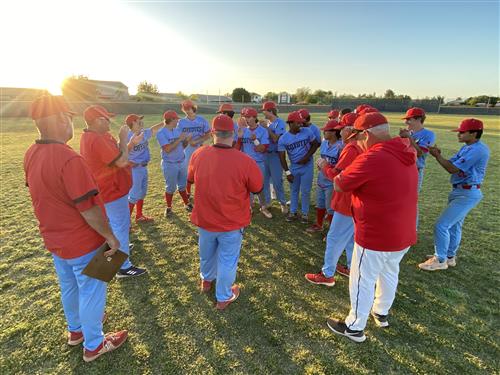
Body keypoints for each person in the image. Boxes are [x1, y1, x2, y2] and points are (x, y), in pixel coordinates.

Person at [24, 95, 127, 362]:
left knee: (70, 287)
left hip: (56, 240)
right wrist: (110, 237)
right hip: (82, 241)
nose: (71, 123)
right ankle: (94, 344)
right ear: (60, 119)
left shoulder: (31, 153)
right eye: (69, 117)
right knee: (92, 289)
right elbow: (88, 208)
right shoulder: (69, 158)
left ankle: (76, 331)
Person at [326, 112, 418, 343]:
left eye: (358, 138)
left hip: (377, 233)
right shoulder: (405, 149)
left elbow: (340, 184)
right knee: (389, 272)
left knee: (362, 279)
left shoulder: (374, 157)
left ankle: (354, 327)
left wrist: (326, 168)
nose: (358, 143)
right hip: (403, 232)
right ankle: (381, 311)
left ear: (366, 134)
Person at [187, 114, 263, 310]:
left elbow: (190, 178)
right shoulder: (244, 160)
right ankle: (223, 296)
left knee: (206, 253)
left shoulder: (198, 154)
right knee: (227, 260)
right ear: (233, 134)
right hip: (231, 221)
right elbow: (257, 187)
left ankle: (206, 281)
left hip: (205, 219)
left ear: (213, 133)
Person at [80, 105, 147, 278]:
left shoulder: (97, 136)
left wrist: (129, 143)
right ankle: (123, 266)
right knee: (120, 226)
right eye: (106, 118)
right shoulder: (96, 138)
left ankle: (118, 250)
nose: (110, 121)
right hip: (111, 190)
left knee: (116, 225)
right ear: (96, 121)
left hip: (111, 189)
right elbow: (122, 161)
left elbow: (115, 154)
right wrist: (125, 139)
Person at [418, 118, 489, 271]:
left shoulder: (478, 150)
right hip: (461, 190)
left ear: (474, 133)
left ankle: (440, 259)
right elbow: (451, 163)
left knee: (441, 225)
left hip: (467, 192)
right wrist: (438, 155)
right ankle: (449, 257)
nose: (459, 135)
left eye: (462, 132)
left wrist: (437, 156)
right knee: (454, 226)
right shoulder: (468, 147)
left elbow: (452, 169)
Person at [305, 113, 361, 285]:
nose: (340, 132)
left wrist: (325, 166)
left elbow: (338, 176)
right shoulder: (362, 145)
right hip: (356, 200)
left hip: (346, 200)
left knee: (334, 238)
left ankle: (327, 274)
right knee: (351, 239)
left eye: (341, 129)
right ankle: (353, 269)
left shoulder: (352, 148)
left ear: (350, 130)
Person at [278, 111, 320, 223]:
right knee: (294, 190)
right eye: (298, 123)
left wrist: (307, 156)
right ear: (290, 123)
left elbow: (316, 144)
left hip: (307, 165)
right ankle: (293, 212)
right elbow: (282, 157)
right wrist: (287, 172)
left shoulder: (307, 131)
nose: (300, 125)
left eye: (301, 122)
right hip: (294, 166)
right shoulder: (283, 138)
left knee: (306, 190)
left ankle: (305, 214)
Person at [399, 107, 435, 229]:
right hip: (403, 170)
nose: (406, 122)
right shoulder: (410, 133)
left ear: (419, 119)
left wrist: (408, 138)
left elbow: (420, 153)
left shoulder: (428, 134)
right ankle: (401, 226)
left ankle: (412, 230)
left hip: (415, 170)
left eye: (409, 119)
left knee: (411, 200)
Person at [125, 114, 164, 223]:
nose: (141, 122)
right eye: (138, 121)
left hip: (143, 167)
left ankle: (139, 215)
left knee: (142, 193)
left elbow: (152, 129)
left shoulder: (143, 133)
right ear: (132, 123)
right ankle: (126, 222)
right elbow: (121, 153)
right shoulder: (127, 137)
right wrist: (128, 163)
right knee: (133, 195)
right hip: (134, 170)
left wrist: (164, 122)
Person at [306, 119, 343, 233]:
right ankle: (319, 224)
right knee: (320, 203)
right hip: (322, 178)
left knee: (330, 208)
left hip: (332, 181)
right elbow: (323, 159)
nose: (324, 133)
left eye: (326, 131)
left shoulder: (341, 146)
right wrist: (320, 164)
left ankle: (332, 231)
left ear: (333, 132)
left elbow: (341, 167)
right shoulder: (324, 143)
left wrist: (328, 166)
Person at [235, 107, 273, 218]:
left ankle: (263, 207)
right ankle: (249, 207)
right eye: (245, 117)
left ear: (255, 117)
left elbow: (263, 149)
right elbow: (236, 150)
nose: (246, 119)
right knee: (246, 186)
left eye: (248, 117)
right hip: (245, 163)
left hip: (258, 162)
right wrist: (240, 138)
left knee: (259, 186)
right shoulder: (243, 130)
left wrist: (255, 140)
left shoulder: (262, 130)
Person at [156, 110, 193, 217]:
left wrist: (186, 140)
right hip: (170, 163)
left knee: (182, 185)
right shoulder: (161, 132)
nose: (178, 121)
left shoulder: (177, 130)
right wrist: (180, 139)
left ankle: (187, 204)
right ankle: (168, 208)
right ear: (171, 120)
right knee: (170, 187)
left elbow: (182, 147)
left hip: (181, 161)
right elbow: (167, 149)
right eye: (176, 119)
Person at [178, 100, 211, 199]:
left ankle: (200, 191)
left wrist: (197, 141)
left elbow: (208, 134)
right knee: (188, 170)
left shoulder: (202, 120)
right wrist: (186, 141)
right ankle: (188, 192)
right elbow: (179, 139)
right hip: (187, 149)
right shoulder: (181, 122)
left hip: (200, 147)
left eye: (189, 108)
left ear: (194, 107)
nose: (188, 110)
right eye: (185, 109)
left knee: (201, 171)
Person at [260, 101, 288, 213]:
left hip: (275, 156)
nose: (264, 113)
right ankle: (267, 202)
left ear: (270, 111)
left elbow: (276, 139)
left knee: (277, 181)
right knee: (265, 181)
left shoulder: (279, 123)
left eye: (265, 111)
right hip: (265, 155)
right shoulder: (268, 123)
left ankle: (283, 203)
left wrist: (266, 128)